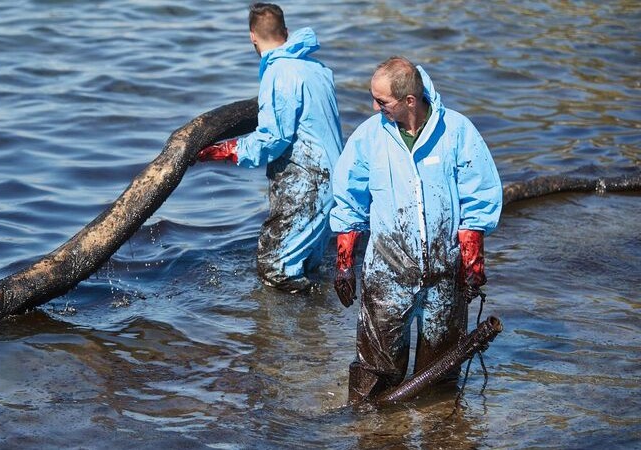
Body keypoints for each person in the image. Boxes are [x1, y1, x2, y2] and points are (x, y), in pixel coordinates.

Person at [329, 56, 502, 404]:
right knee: (374, 377)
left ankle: (441, 434)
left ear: (410, 100)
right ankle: (373, 436)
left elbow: (479, 195)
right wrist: (345, 263)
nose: (374, 107)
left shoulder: (457, 132)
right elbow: (348, 199)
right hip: (387, 275)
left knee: (438, 376)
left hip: (444, 277)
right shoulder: (368, 137)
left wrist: (473, 263)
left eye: (381, 101)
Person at [193, 3, 343, 292]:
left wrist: (229, 150)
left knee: (275, 269)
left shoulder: (279, 72)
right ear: (285, 32)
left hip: (305, 183)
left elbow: (274, 138)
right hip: (331, 181)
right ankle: (316, 330)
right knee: (308, 268)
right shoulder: (318, 68)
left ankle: (283, 335)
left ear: (252, 37)